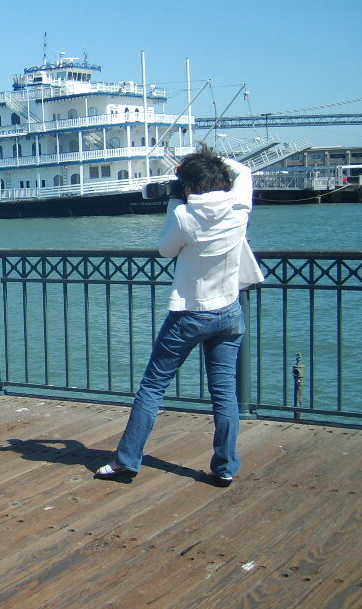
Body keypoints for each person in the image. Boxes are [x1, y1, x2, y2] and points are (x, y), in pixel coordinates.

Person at [95, 145, 264, 487]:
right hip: (229, 312)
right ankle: (225, 467)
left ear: (188, 187)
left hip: (190, 314)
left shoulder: (186, 217)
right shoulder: (239, 209)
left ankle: (127, 462)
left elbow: (164, 248)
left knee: (153, 387)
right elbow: (244, 173)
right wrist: (212, 163)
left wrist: (175, 197)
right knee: (224, 393)